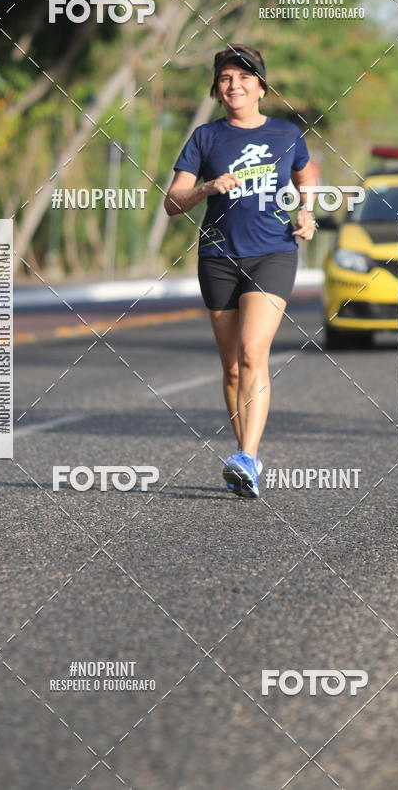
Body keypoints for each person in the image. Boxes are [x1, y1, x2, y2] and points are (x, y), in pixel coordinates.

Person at [164, 44, 317, 498]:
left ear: (261, 88)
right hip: (218, 257)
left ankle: (248, 455)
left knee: (253, 353)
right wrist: (207, 187)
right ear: (217, 89)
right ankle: (245, 461)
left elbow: (306, 175)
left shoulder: (286, 133)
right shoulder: (205, 138)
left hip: (273, 252)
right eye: (226, 79)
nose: (235, 85)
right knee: (231, 367)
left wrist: (307, 210)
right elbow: (172, 202)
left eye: (245, 78)